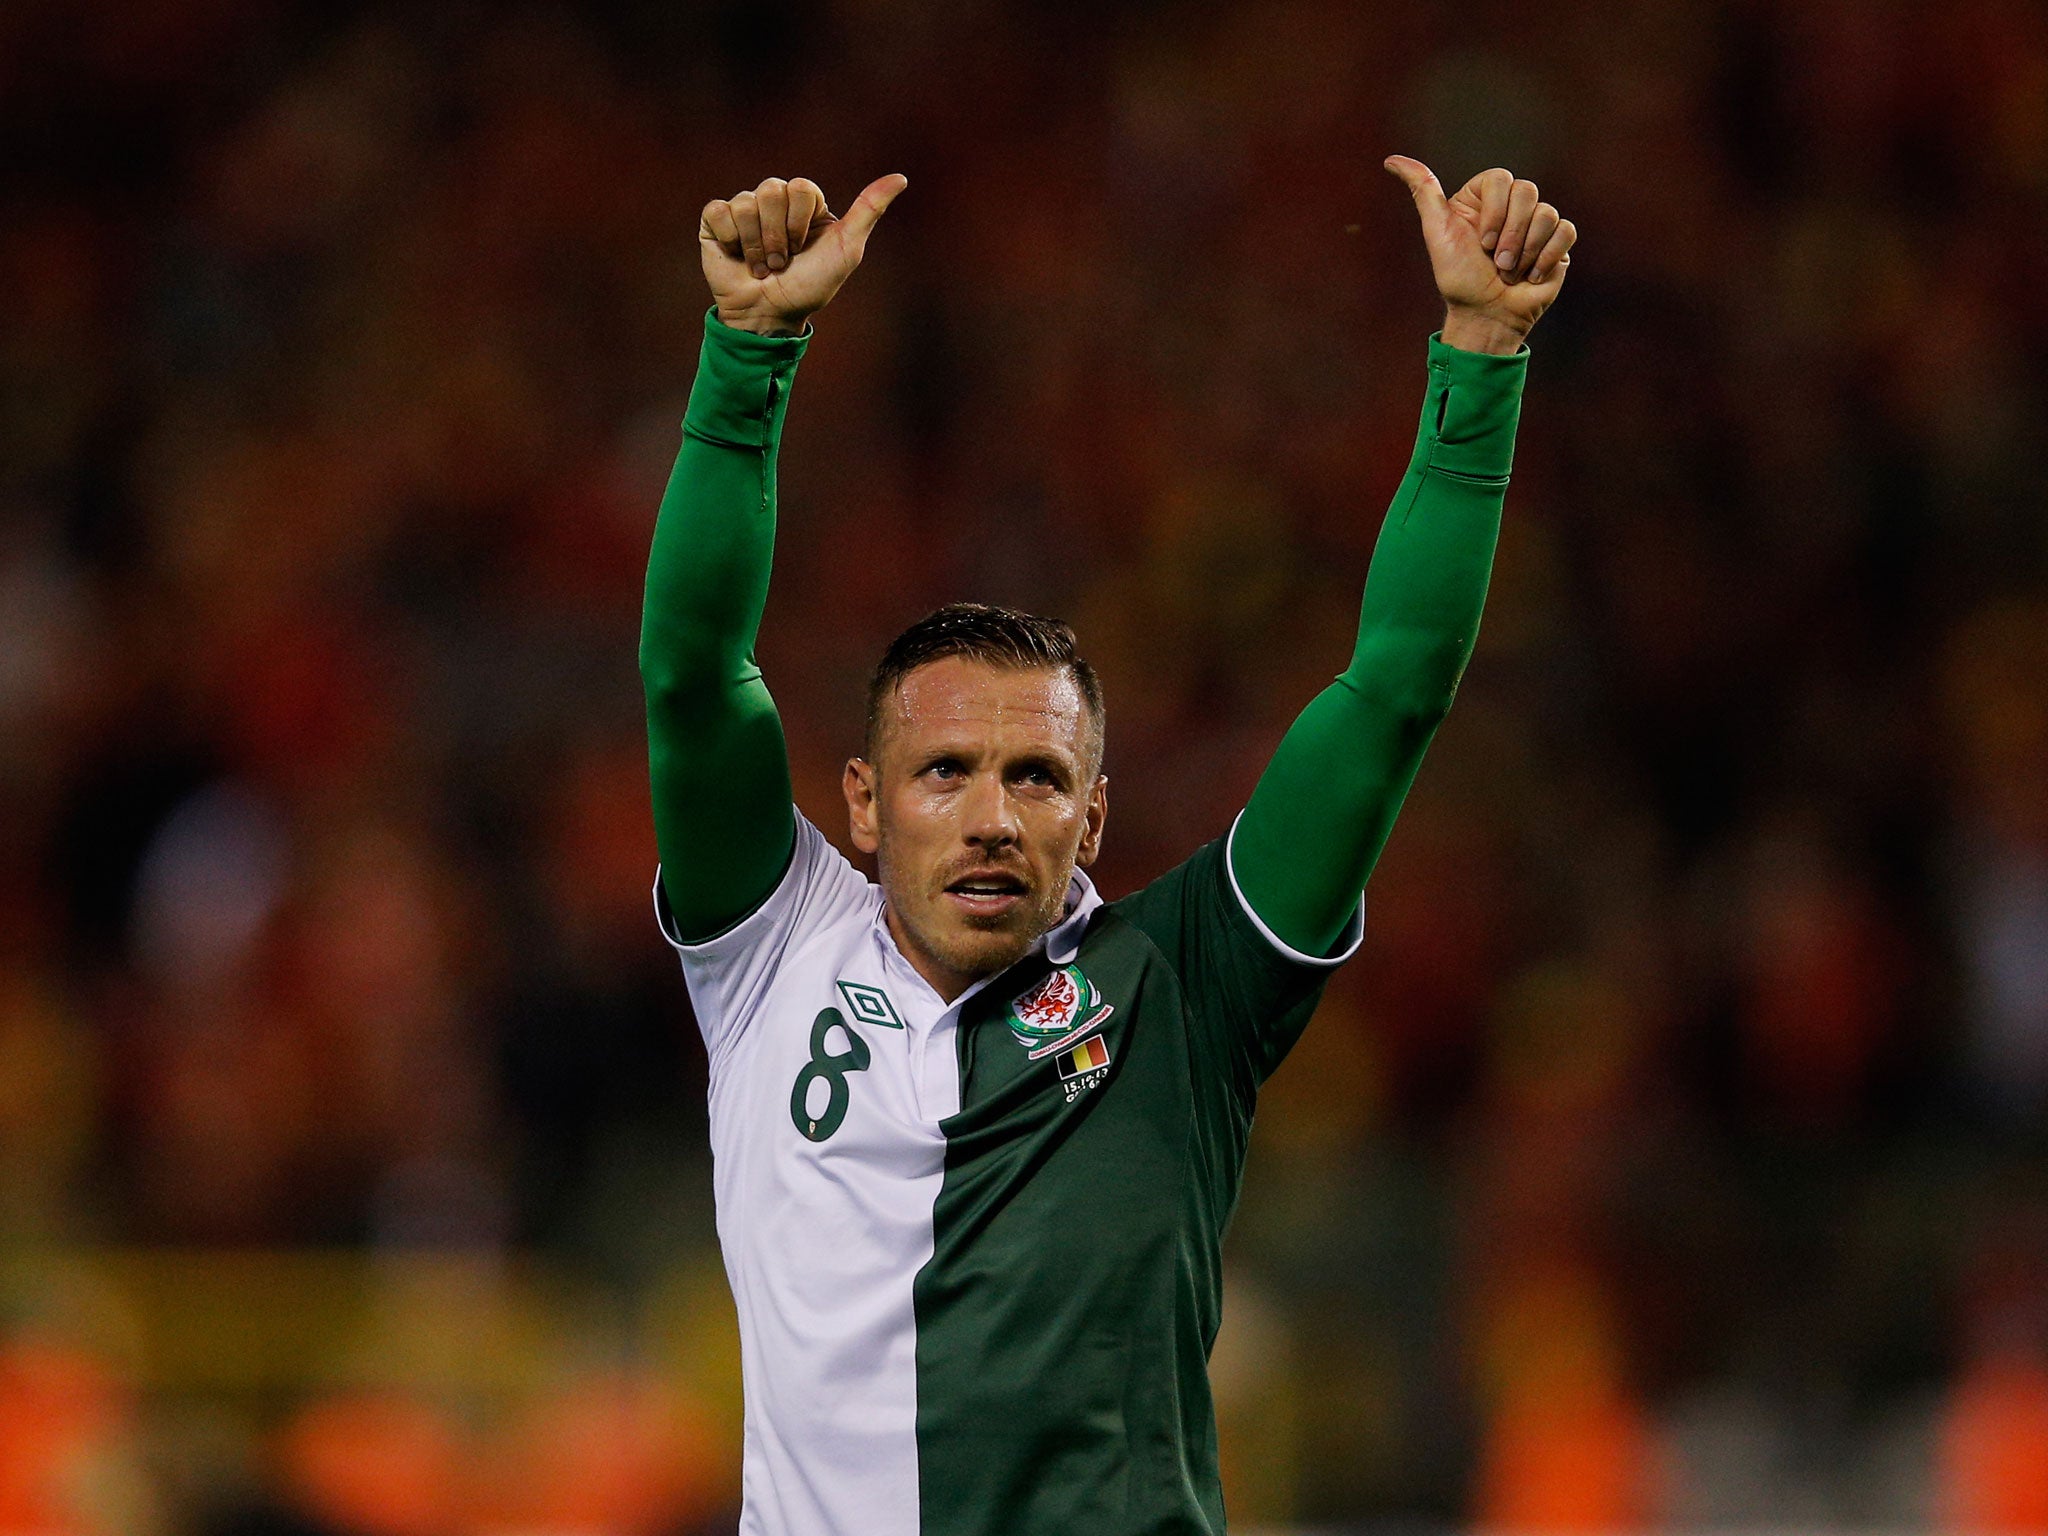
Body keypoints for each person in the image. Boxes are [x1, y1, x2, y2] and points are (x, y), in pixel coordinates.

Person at [641, 158, 1575, 1535]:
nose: (993, 815)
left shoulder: (1185, 982)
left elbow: (1388, 699)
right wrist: (749, 358)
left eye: (1036, 777)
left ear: (1092, 816)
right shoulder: (771, 952)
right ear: (858, 801)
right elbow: (691, 674)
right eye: (944, 773)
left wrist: (1483, 357)